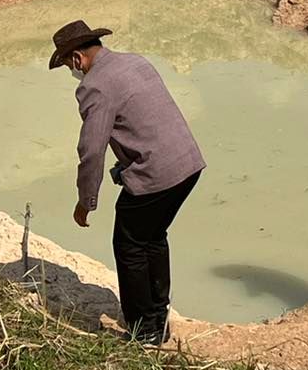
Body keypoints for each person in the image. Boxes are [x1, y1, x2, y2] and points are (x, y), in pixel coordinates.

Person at [53, 19, 206, 345]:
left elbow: (92, 150)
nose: (72, 70)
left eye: (69, 64)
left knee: (130, 246)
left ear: (78, 59)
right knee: (152, 237)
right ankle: (158, 317)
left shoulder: (95, 85)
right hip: (188, 164)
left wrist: (86, 200)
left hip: (158, 173)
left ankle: (145, 331)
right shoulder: (135, 60)